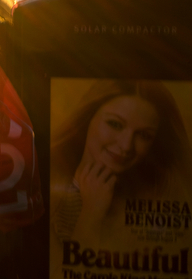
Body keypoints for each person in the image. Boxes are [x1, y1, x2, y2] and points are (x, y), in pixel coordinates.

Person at [50, 80, 192, 252]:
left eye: (144, 135)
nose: (126, 146)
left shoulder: (162, 204)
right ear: (88, 118)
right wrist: (91, 214)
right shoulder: (44, 182)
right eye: (115, 124)